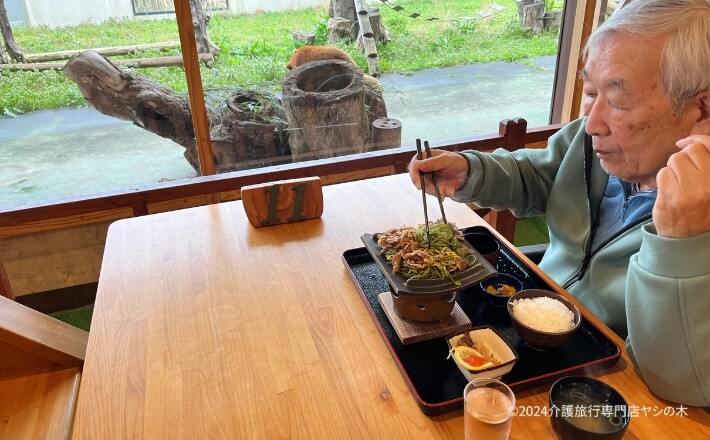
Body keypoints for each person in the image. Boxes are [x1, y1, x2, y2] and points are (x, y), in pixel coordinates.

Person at [409, 0, 710, 406]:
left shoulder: (698, 221)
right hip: (533, 330)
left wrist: (680, 247)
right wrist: (470, 170)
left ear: (702, 109)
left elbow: (683, 385)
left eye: (618, 102)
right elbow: (542, 176)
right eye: (590, 91)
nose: (592, 123)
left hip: (609, 385)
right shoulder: (594, 142)